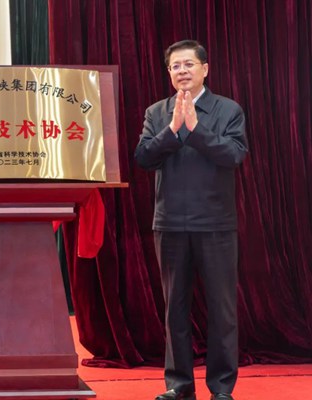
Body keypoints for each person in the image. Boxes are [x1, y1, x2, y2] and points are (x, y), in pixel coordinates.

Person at [134, 40, 248, 400]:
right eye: (175, 66)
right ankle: (179, 386)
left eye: (188, 64)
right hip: (169, 223)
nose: (182, 71)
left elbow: (233, 155)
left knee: (222, 311)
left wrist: (197, 129)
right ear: (169, 72)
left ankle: (221, 389)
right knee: (175, 311)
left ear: (205, 69)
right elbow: (143, 157)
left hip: (215, 224)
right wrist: (172, 130)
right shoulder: (157, 112)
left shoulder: (227, 110)